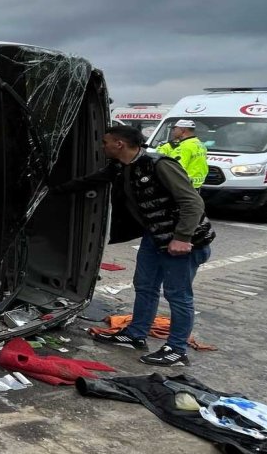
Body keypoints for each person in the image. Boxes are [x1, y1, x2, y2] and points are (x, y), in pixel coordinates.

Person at [56, 124, 215, 367]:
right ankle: (135, 335)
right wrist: (53, 189)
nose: (102, 146)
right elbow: (94, 180)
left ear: (119, 144)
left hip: (184, 243)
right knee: (145, 287)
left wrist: (182, 237)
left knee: (178, 295)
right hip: (154, 238)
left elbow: (192, 202)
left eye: (106, 141)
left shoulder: (159, 164)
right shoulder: (122, 166)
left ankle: (176, 349)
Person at [156, 119, 209, 189]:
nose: (173, 131)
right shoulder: (200, 144)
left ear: (182, 130)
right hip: (197, 184)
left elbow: (175, 169)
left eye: (175, 128)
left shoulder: (183, 147)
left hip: (183, 185)